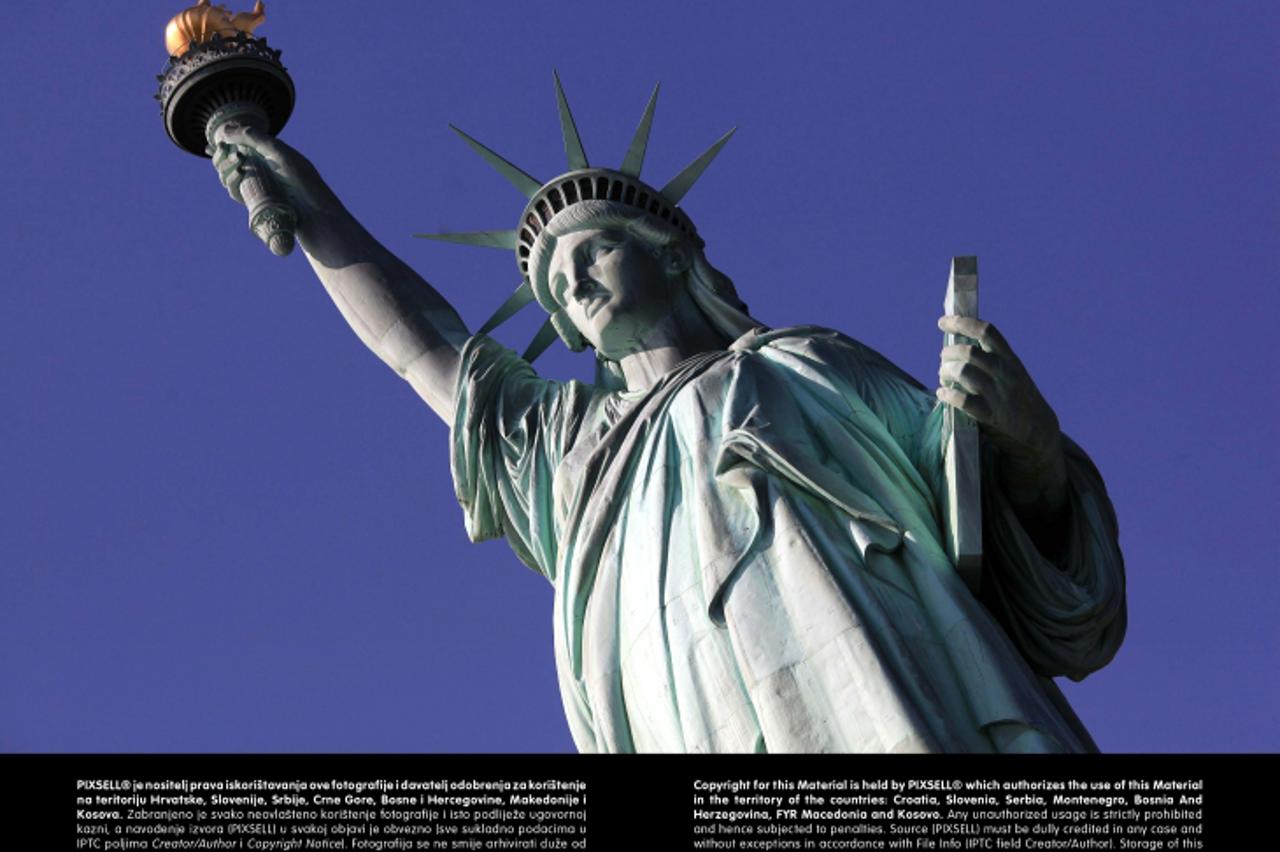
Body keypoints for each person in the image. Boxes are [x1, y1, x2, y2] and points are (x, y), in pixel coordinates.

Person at [210, 86, 1125, 753]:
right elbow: (424, 352)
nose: (571, 281)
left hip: (890, 690)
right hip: (689, 713)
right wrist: (316, 207)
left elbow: (999, 535)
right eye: (553, 281)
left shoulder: (807, 364)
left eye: (593, 248)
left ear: (675, 258)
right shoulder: (573, 452)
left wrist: (1028, 441)